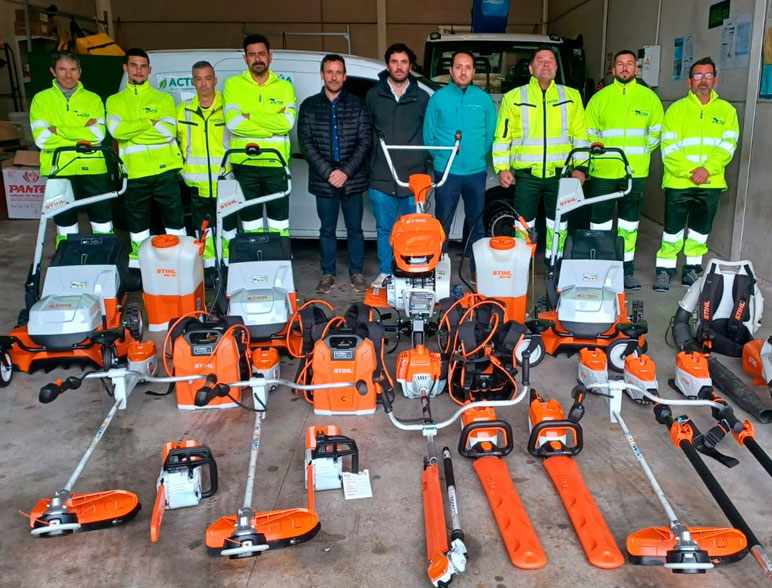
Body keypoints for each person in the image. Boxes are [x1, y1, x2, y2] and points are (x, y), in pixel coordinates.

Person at [492, 47, 588, 263]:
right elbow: (503, 136)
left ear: (556, 67)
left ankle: (555, 264)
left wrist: (581, 168)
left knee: (558, 223)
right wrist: (502, 168)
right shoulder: (514, 97)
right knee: (524, 224)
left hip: (561, 174)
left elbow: (580, 135)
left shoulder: (571, 97)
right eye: (541, 60)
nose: (546, 64)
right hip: (527, 176)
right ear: (530, 68)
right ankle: (523, 263)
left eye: (551, 60)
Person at [653, 57, 739, 292]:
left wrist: (706, 170)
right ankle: (664, 270)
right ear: (689, 81)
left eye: (708, 75)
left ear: (715, 80)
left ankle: (691, 270)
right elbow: (668, 147)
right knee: (672, 230)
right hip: (678, 182)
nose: (703, 80)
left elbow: (728, 146)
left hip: (710, 182)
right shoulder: (676, 110)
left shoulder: (727, 111)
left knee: (700, 231)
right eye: (698, 76)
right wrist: (691, 172)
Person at [585, 49, 664, 290]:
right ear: (613, 69)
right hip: (604, 171)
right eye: (620, 64)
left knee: (629, 224)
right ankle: (598, 268)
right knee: (600, 223)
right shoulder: (600, 99)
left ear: (636, 69)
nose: (625, 68)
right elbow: (589, 133)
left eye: (629, 63)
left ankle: (625, 269)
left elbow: (656, 133)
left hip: (634, 172)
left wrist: (639, 154)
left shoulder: (649, 99)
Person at [297, 54, 372, 293]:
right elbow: (305, 143)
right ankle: (327, 273)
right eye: (329, 72)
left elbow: (365, 142)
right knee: (327, 230)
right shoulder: (309, 106)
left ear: (345, 76)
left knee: (355, 230)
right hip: (324, 179)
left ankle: (356, 273)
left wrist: (345, 172)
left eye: (338, 72)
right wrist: (330, 173)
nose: (334, 77)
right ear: (322, 74)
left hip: (352, 179)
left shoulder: (358, 104)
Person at [106, 48, 184, 269]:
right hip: (134, 173)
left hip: (165, 171)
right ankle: (141, 268)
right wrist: (149, 122)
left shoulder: (163, 98)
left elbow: (167, 132)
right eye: (134, 65)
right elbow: (116, 131)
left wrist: (132, 131)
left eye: (143, 66)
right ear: (126, 68)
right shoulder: (114, 100)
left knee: (175, 224)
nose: (138, 71)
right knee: (138, 226)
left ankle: (179, 264)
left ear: (149, 70)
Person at [423, 50, 496, 278]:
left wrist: (478, 154)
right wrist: (441, 159)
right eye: (458, 67)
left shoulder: (483, 99)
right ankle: (439, 271)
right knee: (442, 223)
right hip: (447, 172)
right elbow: (429, 135)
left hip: (475, 172)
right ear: (451, 70)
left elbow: (490, 134)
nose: (463, 72)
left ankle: (476, 270)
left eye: (468, 67)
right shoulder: (438, 98)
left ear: (473, 71)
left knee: (476, 223)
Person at [223, 33, 296, 254]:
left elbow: (287, 124)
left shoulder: (284, 87)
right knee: (250, 223)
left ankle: (279, 262)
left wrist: (250, 116)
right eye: (252, 54)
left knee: (279, 223)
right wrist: (272, 122)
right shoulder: (233, 85)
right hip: (245, 166)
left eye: (261, 54)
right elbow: (233, 123)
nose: (257, 59)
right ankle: (254, 264)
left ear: (270, 57)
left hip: (276, 164)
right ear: (245, 58)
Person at [30, 50, 112, 246]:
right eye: (62, 69)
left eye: (73, 69)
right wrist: (82, 132)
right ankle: (68, 255)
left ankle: (105, 254)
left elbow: (98, 135)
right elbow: (42, 139)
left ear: (80, 71)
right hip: (59, 168)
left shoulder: (93, 99)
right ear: (53, 71)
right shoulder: (41, 100)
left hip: (92, 167)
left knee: (101, 216)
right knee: (64, 218)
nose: (68, 75)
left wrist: (58, 130)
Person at [365, 43, 430, 288]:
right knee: (385, 229)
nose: (399, 67)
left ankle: (412, 272)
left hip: (414, 179)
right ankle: (385, 272)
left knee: (414, 231)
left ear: (410, 66)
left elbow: (430, 133)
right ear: (387, 65)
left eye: (404, 62)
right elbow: (365, 133)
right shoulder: (373, 96)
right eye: (394, 62)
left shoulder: (422, 98)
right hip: (381, 176)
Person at [176, 60, 227, 271]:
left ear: (215, 80)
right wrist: (183, 170)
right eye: (198, 79)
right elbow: (174, 142)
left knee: (228, 229)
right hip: (197, 184)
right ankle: (208, 268)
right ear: (193, 82)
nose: (203, 83)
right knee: (203, 229)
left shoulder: (228, 107)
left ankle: (227, 265)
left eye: (207, 78)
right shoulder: (183, 110)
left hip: (225, 181)